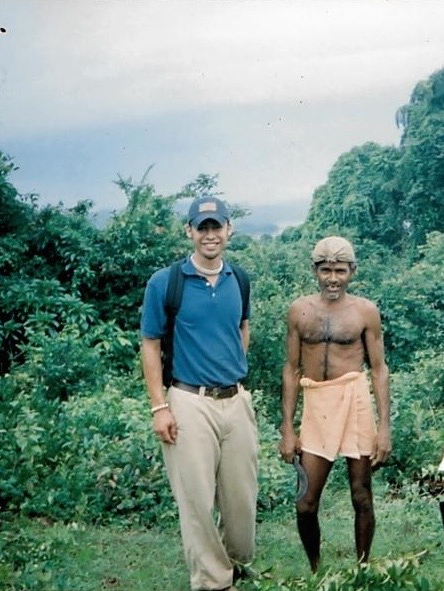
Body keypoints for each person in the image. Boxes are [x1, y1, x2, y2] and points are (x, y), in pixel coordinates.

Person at [140, 196, 258, 591]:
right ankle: (213, 581)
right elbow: (150, 343)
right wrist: (160, 406)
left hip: (236, 401)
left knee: (242, 501)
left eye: (217, 226)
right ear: (189, 231)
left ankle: (235, 561)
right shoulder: (166, 282)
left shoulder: (238, 279)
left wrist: (232, 370)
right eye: (202, 227)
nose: (210, 234)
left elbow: (243, 328)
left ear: (229, 230)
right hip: (189, 402)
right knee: (196, 502)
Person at [278, 236, 392, 573]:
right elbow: (291, 368)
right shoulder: (300, 310)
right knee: (305, 503)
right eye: (326, 270)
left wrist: (384, 427)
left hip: (354, 400)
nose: (333, 278)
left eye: (340, 270)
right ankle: (315, 570)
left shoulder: (365, 311)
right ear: (315, 270)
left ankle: (361, 568)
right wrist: (287, 427)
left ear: (352, 271)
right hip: (316, 403)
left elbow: (379, 369)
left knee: (361, 494)